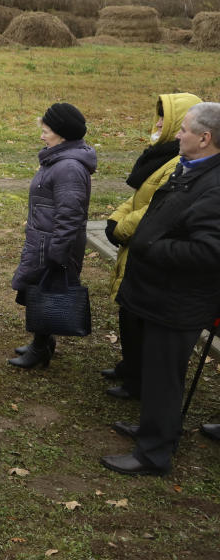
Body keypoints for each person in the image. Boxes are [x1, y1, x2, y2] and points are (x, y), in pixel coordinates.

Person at [102, 102, 220, 476]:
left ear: (205, 138)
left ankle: (154, 453)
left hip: (178, 302)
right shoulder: (191, 168)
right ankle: (154, 427)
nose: (177, 134)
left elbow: (208, 251)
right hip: (160, 295)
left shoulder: (215, 187)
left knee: (166, 375)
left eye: (184, 129)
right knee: (155, 371)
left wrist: (150, 247)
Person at [103, 93, 202, 400]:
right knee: (129, 314)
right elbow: (136, 199)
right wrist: (114, 218)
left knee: (137, 320)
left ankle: (138, 381)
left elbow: (156, 209)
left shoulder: (177, 163)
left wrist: (120, 229)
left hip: (144, 246)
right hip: (135, 245)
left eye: (166, 118)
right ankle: (131, 367)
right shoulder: (160, 155)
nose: (158, 123)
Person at [8, 103, 96, 369]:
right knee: (37, 290)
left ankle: (40, 349)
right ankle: (43, 342)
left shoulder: (68, 167)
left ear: (62, 134)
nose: (42, 136)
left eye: (46, 131)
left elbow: (70, 215)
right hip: (44, 240)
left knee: (47, 291)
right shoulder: (56, 159)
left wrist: (57, 253)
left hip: (54, 245)